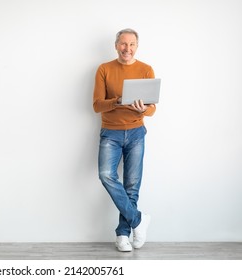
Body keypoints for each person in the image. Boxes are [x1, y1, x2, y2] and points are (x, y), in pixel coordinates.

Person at [93, 28, 156, 252]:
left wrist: (143, 109)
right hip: (110, 132)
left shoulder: (146, 69)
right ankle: (138, 220)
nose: (126, 48)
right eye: (123, 43)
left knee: (132, 185)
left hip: (136, 132)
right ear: (116, 45)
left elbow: (152, 109)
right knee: (106, 175)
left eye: (131, 44)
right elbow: (97, 105)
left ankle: (122, 234)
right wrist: (117, 101)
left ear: (136, 47)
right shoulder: (104, 69)